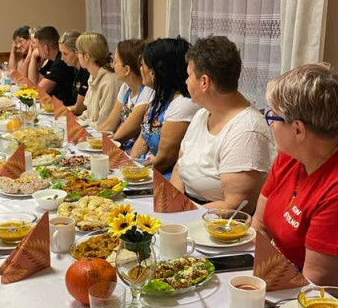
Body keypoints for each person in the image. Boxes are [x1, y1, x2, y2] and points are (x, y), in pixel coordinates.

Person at [252, 62, 338, 290]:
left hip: (336, 301)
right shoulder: (292, 155)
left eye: (273, 117)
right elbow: (259, 225)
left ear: (298, 129)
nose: (269, 124)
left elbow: (320, 285)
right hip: (283, 277)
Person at [170, 36, 274, 211]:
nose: (186, 82)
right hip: (188, 208)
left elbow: (236, 205)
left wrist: (183, 215)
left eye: (189, 76)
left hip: (215, 223)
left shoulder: (247, 131)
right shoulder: (202, 114)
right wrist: (172, 203)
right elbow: (179, 167)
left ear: (204, 82)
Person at [129, 38, 197, 176]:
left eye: (143, 65)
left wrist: (133, 176)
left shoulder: (183, 103)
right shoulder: (159, 95)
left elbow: (164, 160)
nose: (140, 69)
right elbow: (143, 138)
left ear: (154, 72)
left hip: (166, 177)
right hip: (148, 169)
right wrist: (130, 165)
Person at [97, 39, 154, 149]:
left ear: (127, 70)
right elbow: (110, 124)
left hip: (132, 151)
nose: (112, 65)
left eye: (116, 62)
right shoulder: (126, 87)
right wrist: (89, 138)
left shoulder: (147, 92)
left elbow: (124, 133)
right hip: (119, 145)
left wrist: (98, 144)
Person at [73, 32, 121, 125]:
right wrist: (75, 122)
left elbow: (103, 122)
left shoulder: (109, 82)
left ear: (86, 56)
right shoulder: (93, 75)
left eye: (78, 52)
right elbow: (88, 112)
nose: (77, 55)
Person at [27, 25, 75, 106]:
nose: (36, 50)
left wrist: (33, 56)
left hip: (66, 109)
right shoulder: (52, 60)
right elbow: (33, 82)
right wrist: (33, 57)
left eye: (38, 47)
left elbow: (38, 91)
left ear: (46, 49)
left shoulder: (61, 61)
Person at [59, 30, 89, 108]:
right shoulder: (74, 69)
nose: (62, 58)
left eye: (65, 54)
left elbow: (79, 108)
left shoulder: (87, 73)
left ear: (76, 52)